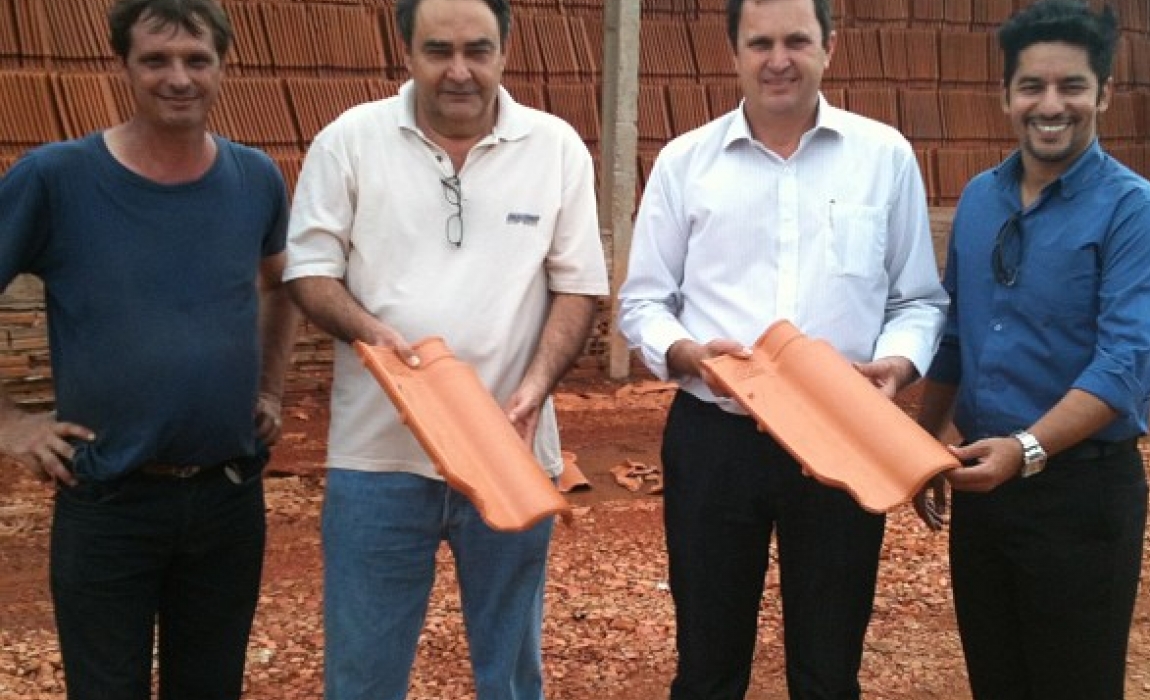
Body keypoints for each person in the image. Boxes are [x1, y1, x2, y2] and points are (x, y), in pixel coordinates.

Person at [617, 0, 948, 696]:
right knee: (707, 665)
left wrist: (896, 364)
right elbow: (643, 303)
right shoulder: (685, 163)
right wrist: (688, 354)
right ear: (734, 51)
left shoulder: (883, 157)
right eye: (760, 42)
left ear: (830, 45)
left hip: (844, 432)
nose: (778, 60)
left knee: (829, 667)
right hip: (716, 436)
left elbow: (917, 299)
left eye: (797, 40)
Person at [282, 0, 609, 696]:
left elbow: (578, 288)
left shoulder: (555, 148)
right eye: (439, 51)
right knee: (363, 676)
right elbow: (309, 272)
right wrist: (369, 332)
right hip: (377, 458)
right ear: (407, 52)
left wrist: (536, 387)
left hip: (510, 448)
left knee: (510, 675)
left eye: (477, 50)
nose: (459, 70)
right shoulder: (350, 141)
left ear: (505, 51)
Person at [0, 0, 298, 698]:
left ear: (223, 67)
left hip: (228, 497)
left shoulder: (255, 178)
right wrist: (9, 422)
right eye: (156, 60)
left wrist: (270, 388)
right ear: (122, 66)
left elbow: (280, 284)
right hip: (109, 499)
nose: (179, 78)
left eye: (197, 59)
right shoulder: (55, 179)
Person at [911, 2, 1150, 699]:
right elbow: (955, 335)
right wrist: (920, 446)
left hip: (1080, 497)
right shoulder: (981, 200)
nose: (1051, 104)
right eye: (1032, 85)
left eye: (1072, 86)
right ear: (1006, 95)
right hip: (985, 490)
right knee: (996, 680)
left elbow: (1124, 368)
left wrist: (1026, 450)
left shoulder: (1138, 216)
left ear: (1104, 93)